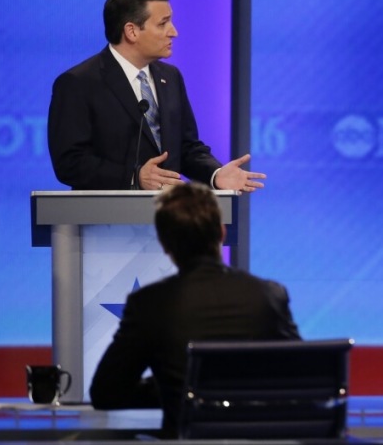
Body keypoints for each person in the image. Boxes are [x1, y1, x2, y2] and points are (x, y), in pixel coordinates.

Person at [89, 182, 301, 438]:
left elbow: (106, 393)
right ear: (221, 233)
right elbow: (300, 380)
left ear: (165, 244)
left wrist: (172, 388)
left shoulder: (149, 303)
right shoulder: (268, 296)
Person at [48, 0, 265, 192]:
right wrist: (134, 176)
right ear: (131, 31)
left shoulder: (170, 77)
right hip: (106, 222)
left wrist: (215, 174)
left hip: (167, 218)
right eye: (163, 23)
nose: (174, 32)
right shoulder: (79, 83)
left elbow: (186, 147)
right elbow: (69, 162)